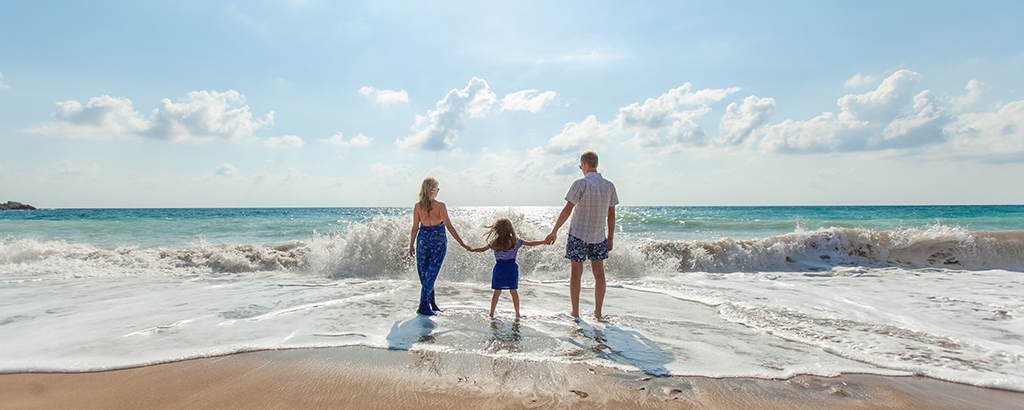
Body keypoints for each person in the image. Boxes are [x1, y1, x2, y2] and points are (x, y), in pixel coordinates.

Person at [544, 151, 618, 319]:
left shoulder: (580, 184)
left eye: (580, 166)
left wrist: (554, 230)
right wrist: (611, 237)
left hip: (578, 235)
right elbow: (611, 215)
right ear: (596, 165)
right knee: (599, 274)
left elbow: (568, 209)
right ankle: (598, 313)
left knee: (576, 273)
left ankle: (575, 312)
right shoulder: (609, 186)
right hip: (599, 236)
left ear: (584, 165)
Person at [409, 177, 470, 316]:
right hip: (438, 241)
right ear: (434, 191)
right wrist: (461, 242)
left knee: (426, 275)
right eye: (437, 189)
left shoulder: (418, 206)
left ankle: (431, 304)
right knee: (429, 275)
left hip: (423, 241)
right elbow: (448, 226)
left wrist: (411, 244)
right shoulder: (440, 206)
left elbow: (415, 228)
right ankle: (424, 305)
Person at [468, 218, 547, 319]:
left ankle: (491, 314)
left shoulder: (495, 242)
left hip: (499, 268)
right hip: (511, 268)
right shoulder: (516, 241)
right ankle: (517, 314)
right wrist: (544, 242)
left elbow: (482, 249)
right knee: (513, 292)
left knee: (497, 292)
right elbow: (531, 243)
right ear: (510, 229)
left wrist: (471, 250)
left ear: (497, 230)